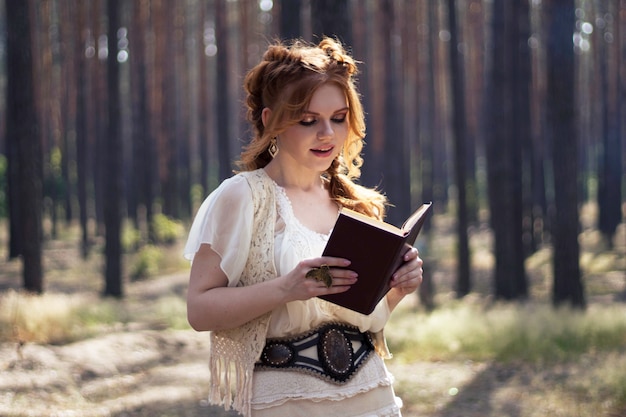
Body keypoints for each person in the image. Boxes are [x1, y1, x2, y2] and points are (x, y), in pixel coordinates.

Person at [184, 37, 424, 417]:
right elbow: (199, 310)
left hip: (371, 394)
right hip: (285, 401)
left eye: (339, 118)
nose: (327, 134)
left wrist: (397, 288)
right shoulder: (244, 197)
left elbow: (367, 318)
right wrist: (286, 288)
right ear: (270, 121)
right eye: (308, 120)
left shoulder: (356, 203)